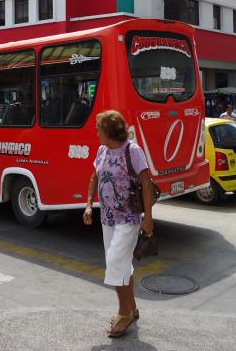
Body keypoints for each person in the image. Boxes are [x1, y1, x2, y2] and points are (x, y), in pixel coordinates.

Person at [83, 110, 154, 338]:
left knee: (115, 262)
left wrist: (148, 218)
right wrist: (88, 204)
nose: (96, 132)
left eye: (98, 129)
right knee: (121, 263)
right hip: (108, 218)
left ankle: (123, 313)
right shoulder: (102, 150)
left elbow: (146, 183)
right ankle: (132, 308)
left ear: (109, 131)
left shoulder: (132, 150)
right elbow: (94, 176)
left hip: (129, 218)